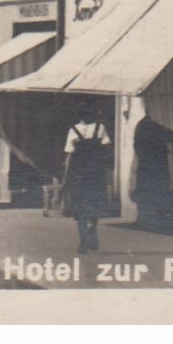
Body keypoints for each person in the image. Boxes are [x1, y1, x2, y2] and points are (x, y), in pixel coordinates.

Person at [62, 102, 112, 254]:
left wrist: (65, 177)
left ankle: (83, 241)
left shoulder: (73, 130)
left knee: (79, 205)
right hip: (96, 173)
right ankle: (93, 229)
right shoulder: (100, 128)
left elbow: (69, 155)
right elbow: (107, 150)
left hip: (78, 173)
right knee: (95, 202)